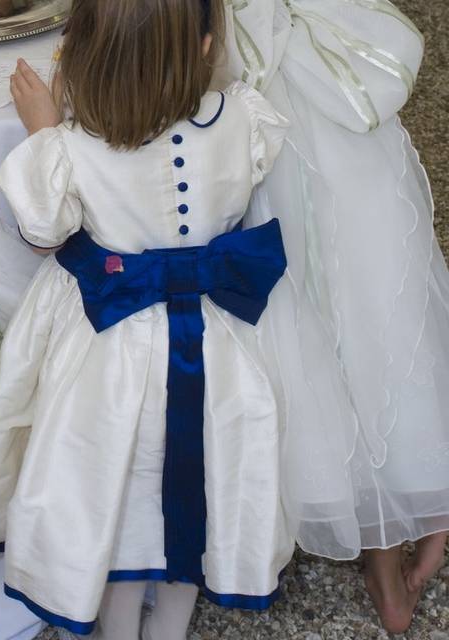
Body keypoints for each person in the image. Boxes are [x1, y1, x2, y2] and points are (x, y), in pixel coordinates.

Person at [0, 0, 346, 636]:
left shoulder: (72, 146)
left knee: (114, 499)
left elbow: (43, 230)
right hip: (216, 351)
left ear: (82, 49)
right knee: (193, 495)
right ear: (205, 44)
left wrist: (43, 128)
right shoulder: (246, 120)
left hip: (108, 361)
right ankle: (169, 627)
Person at [223, 0, 449, 633]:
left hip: (288, 95)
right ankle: (400, 526)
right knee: (370, 297)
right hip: (330, 95)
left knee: (318, 297)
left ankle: (375, 527)